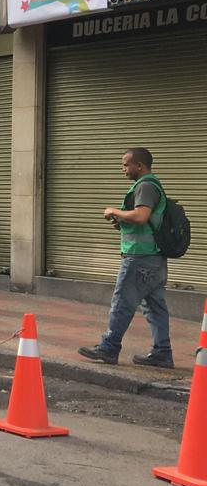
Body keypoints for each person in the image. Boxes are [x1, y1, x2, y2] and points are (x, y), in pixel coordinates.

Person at [78, 147, 174, 368]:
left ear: (139, 166)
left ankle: (109, 347)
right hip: (154, 258)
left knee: (122, 302)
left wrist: (114, 211)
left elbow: (141, 216)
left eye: (125, 164)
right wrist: (122, 221)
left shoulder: (146, 186)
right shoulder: (151, 185)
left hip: (139, 258)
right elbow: (144, 221)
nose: (123, 169)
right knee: (154, 307)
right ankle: (162, 353)